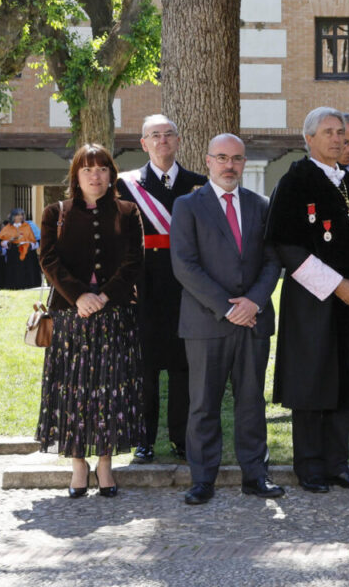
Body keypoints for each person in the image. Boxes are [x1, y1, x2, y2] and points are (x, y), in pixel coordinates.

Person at [267, 107, 349, 491]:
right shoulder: (296, 181)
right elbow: (285, 244)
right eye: (329, 132)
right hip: (312, 301)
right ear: (309, 138)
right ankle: (310, 467)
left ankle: (338, 463)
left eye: (341, 133)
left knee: (343, 382)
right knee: (312, 382)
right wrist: (335, 284)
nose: (338, 139)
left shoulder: (346, 182)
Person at [170, 134, 284, 505]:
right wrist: (227, 307)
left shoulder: (261, 205)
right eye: (222, 157)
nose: (229, 165)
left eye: (236, 158)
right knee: (203, 403)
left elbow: (273, 260)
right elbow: (184, 266)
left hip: (253, 321)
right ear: (208, 161)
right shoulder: (188, 206)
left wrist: (252, 302)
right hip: (206, 322)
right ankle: (202, 480)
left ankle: (255, 475)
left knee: (251, 401)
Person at [36, 144, 145, 498]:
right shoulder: (57, 212)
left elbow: (133, 261)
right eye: (88, 169)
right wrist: (80, 296)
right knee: (74, 390)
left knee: (110, 389)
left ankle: (105, 464)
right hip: (71, 317)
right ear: (76, 176)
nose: (95, 175)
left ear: (112, 174)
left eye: (102, 169)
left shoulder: (128, 212)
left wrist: (104, 296)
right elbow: (48, 260)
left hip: (115, 315)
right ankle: (78, 465)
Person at [117, 114, 207, 464]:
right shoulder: (126, 186)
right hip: (144, 287)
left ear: (179, 141)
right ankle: (144, 439)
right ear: (144, 143)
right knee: (145, 368)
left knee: (184, 367)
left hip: (186, 288)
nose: (162, 141)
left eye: (168, 135)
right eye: (155, 135)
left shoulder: (198, 184)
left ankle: (181, 438)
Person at [0, 207, 37, 289]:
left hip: (25, 251)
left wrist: (29, 244)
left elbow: (33, 241)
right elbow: (2, 242)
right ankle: (13, 286)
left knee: (26, 269)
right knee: (13, 270)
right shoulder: (7, 228)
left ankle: (27, 286)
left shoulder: (27, 227)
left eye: (21, 215)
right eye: (18, 215)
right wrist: (9, 241)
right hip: (13, 252)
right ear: (13, 217)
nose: (20, 217)